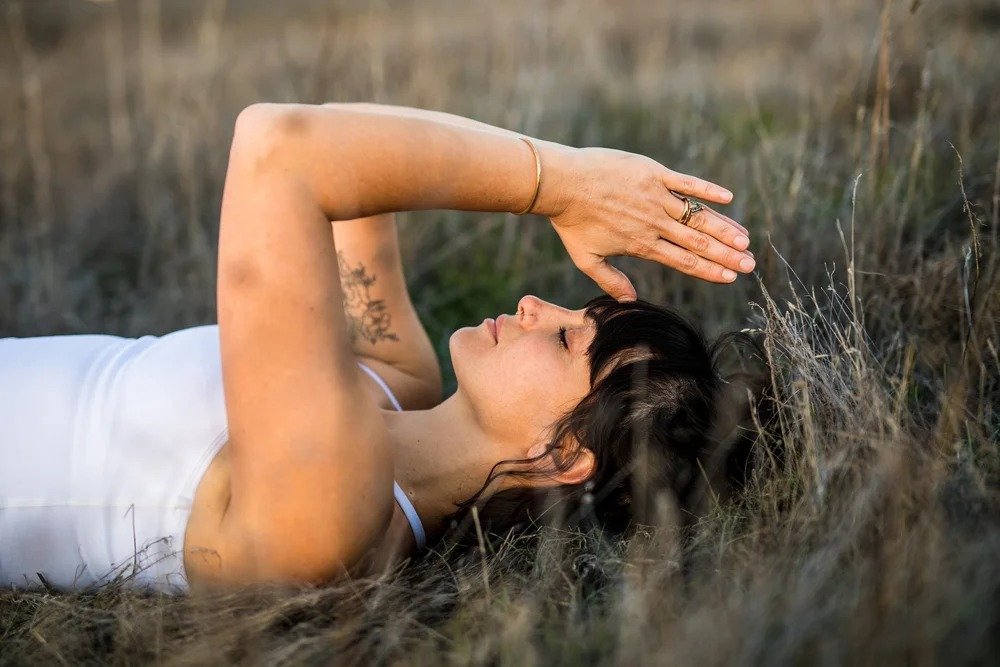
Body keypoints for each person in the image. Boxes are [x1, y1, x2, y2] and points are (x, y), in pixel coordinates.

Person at [0, 102, 758, 594]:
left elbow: (280, 146)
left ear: (564, 455)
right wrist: (568, 183)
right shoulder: (396, 377)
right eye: (570, 309)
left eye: (565, 338)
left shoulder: (333, 517)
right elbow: (342, 134)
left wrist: (561, 182)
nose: (535, 304)